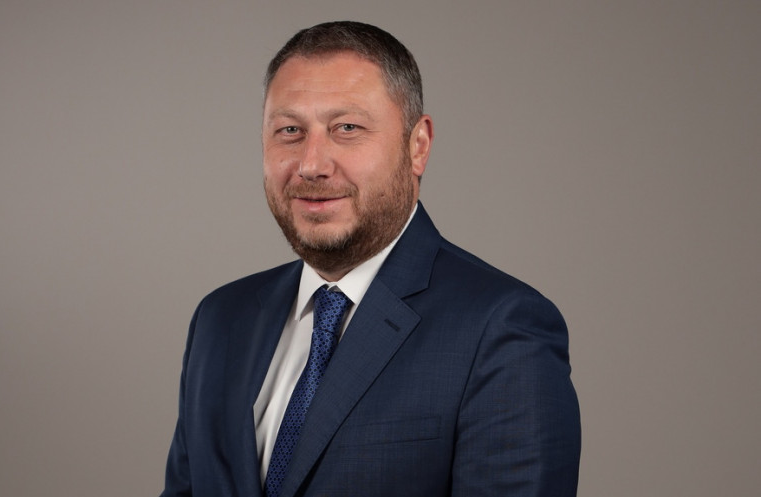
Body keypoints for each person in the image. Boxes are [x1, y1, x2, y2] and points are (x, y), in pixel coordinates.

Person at [160, 21, 580, 497]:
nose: (312, 164)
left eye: (347, 128)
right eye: (290, 130)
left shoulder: (501, 329)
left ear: (417, 146)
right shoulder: (219, 319)